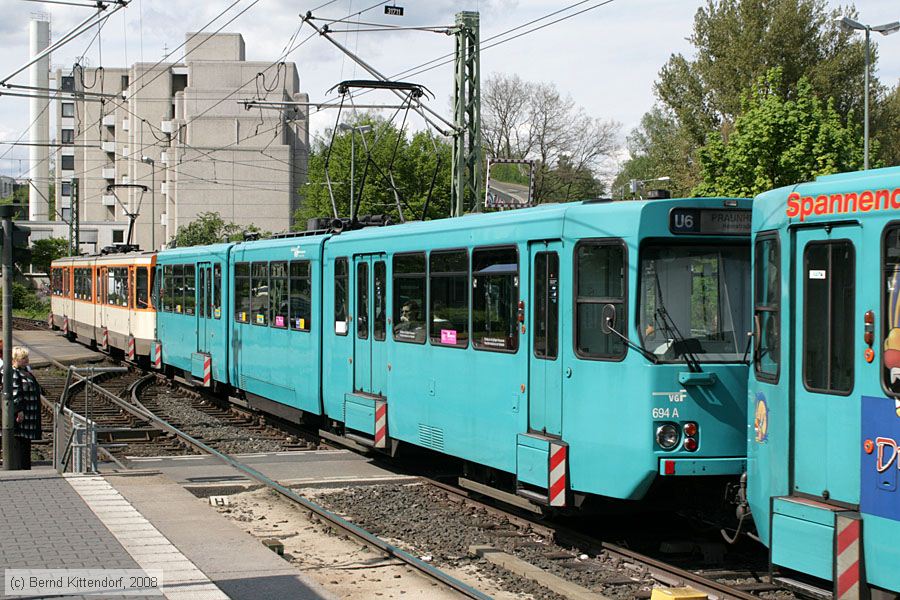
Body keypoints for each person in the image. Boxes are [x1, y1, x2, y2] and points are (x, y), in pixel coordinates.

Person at [10, 346, 41, 470]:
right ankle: (21, 467)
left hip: (29, 416)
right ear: (15, 359)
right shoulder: (15, 373)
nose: (26, 359)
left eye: (26, 357)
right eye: (23, 358)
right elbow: (15, 392)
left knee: (26, 443)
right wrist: (19, 410)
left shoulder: (26, 372)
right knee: (21, 442)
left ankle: (25, 466)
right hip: (23, 416)